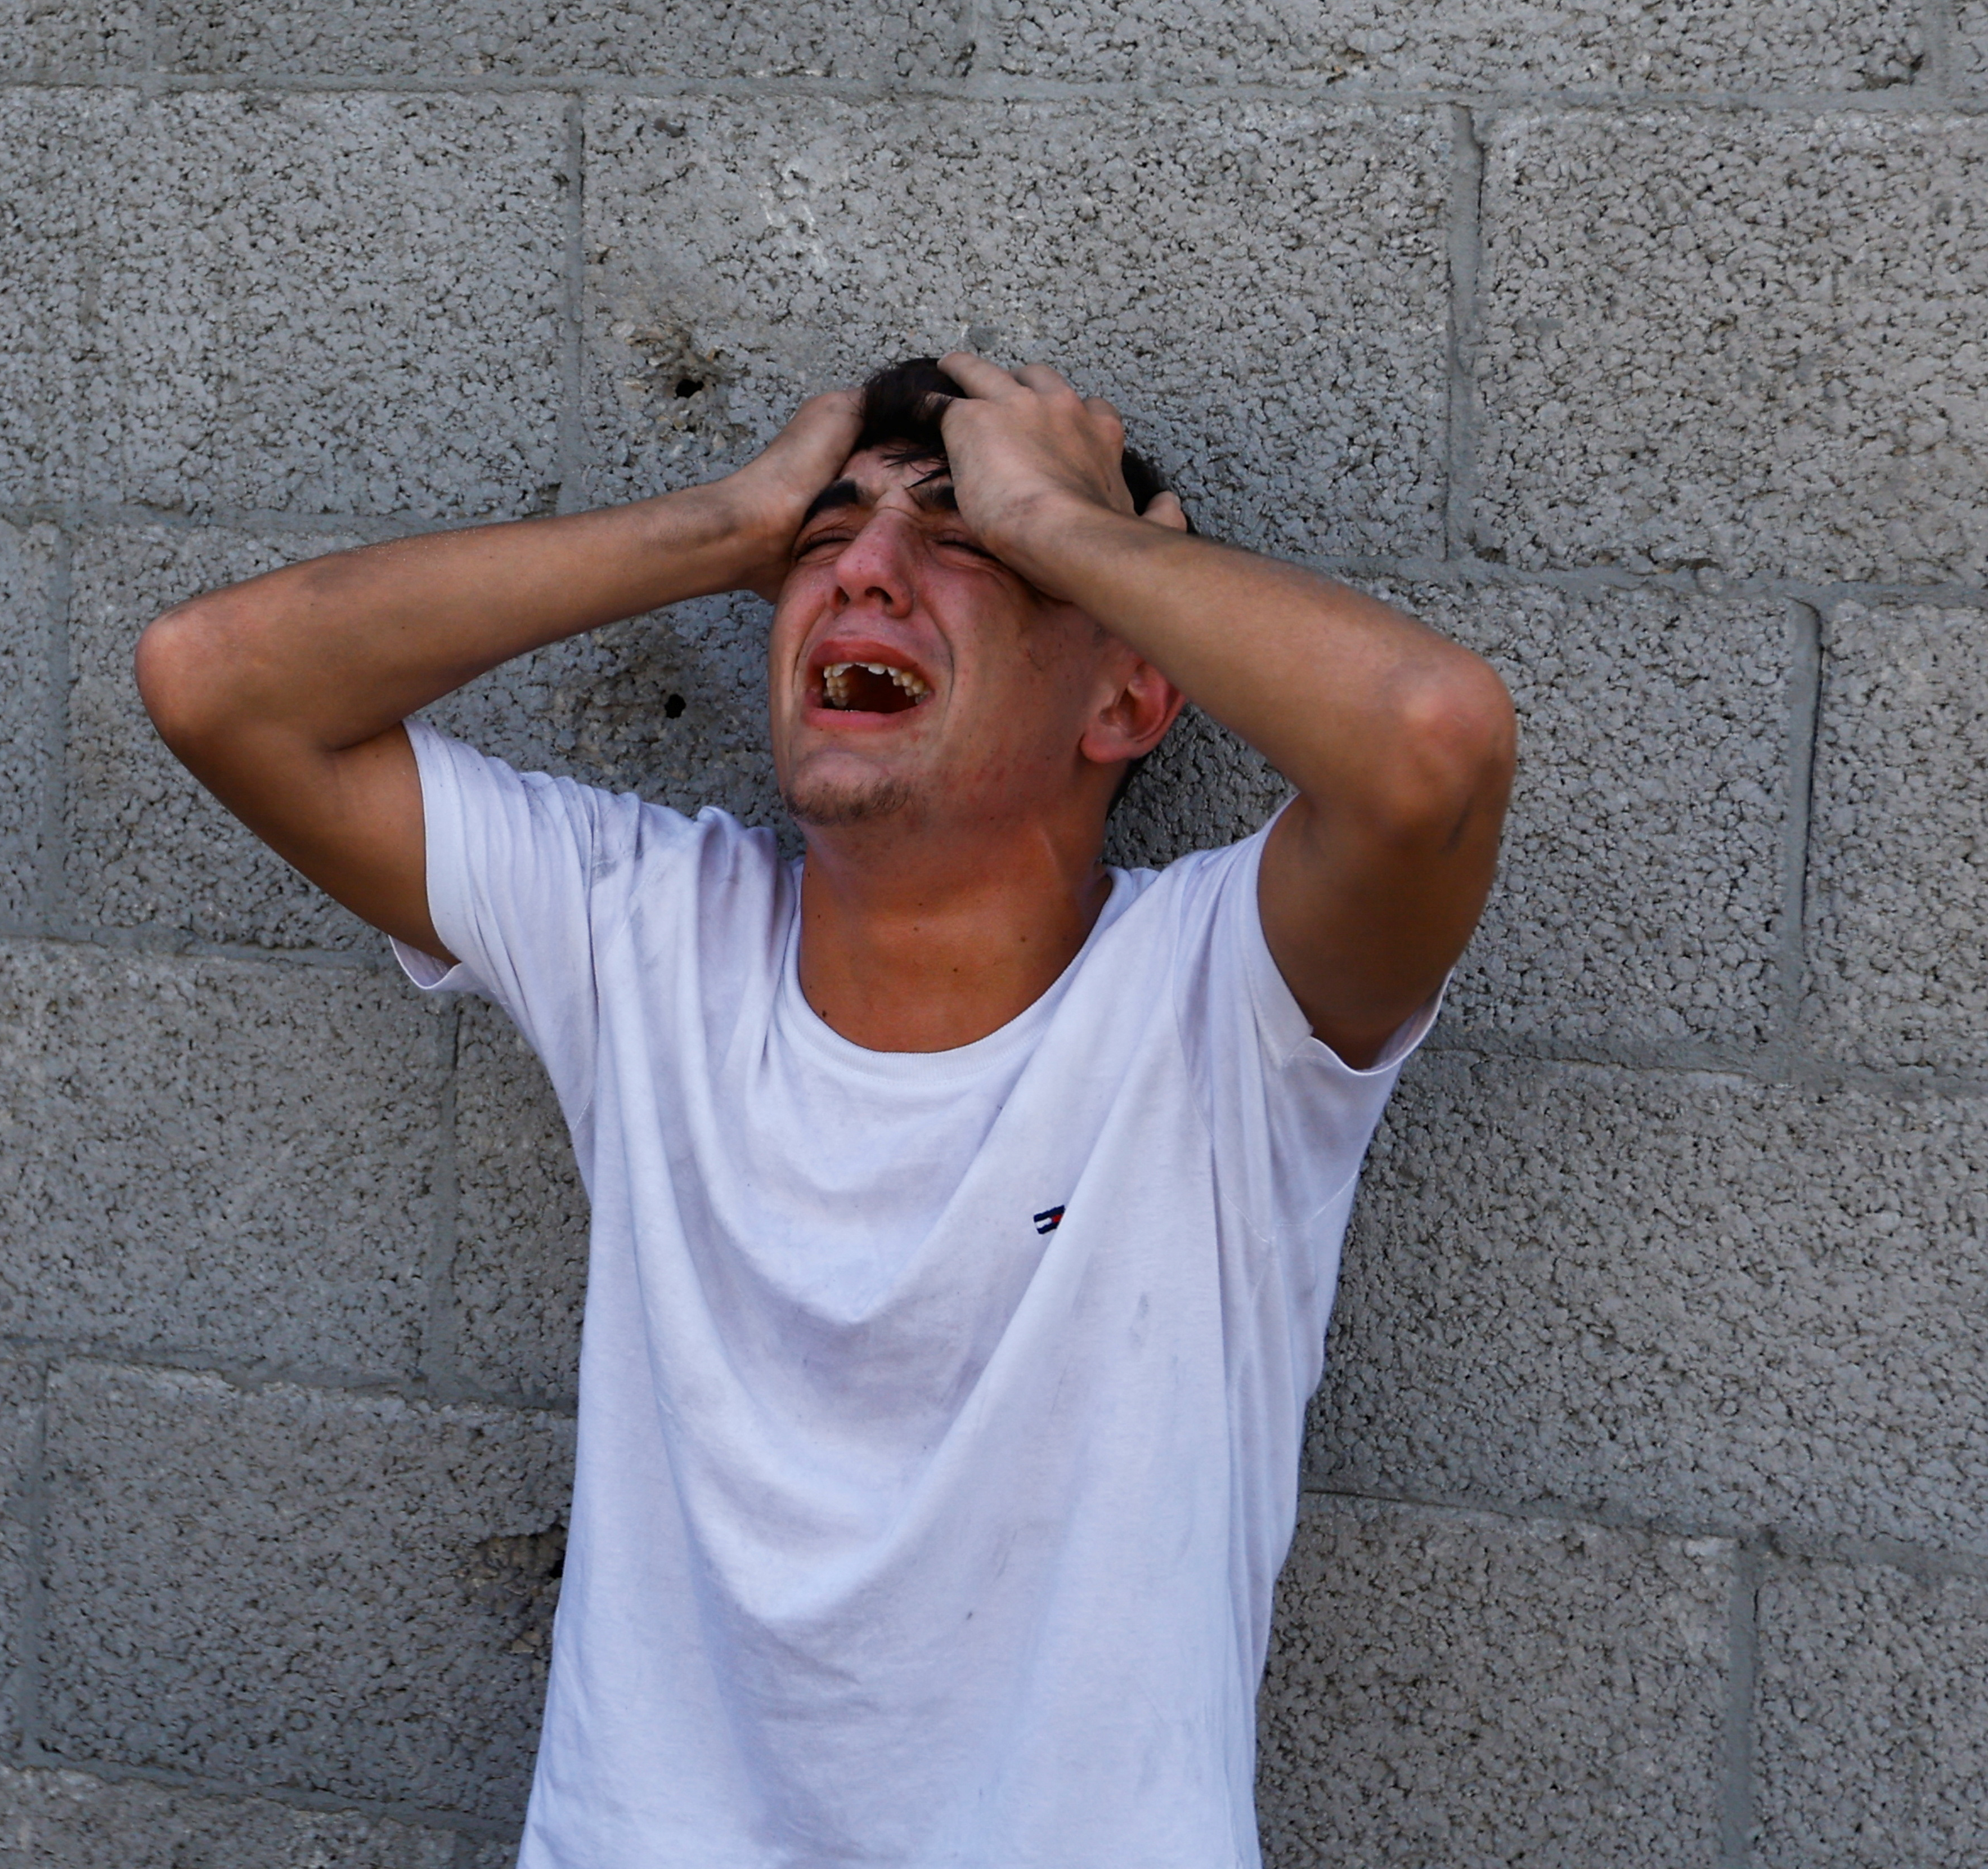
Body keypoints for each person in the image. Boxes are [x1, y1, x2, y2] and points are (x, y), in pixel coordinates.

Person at [136, 352, 1516, 1866]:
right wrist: (729, 521)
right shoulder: (645, 937)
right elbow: (215, 680)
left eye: (959, 537)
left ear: (1127, 694)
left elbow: (1427, 743)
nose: (864, 568)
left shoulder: (1217, 1003)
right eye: (826, 535)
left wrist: (1061, 525)